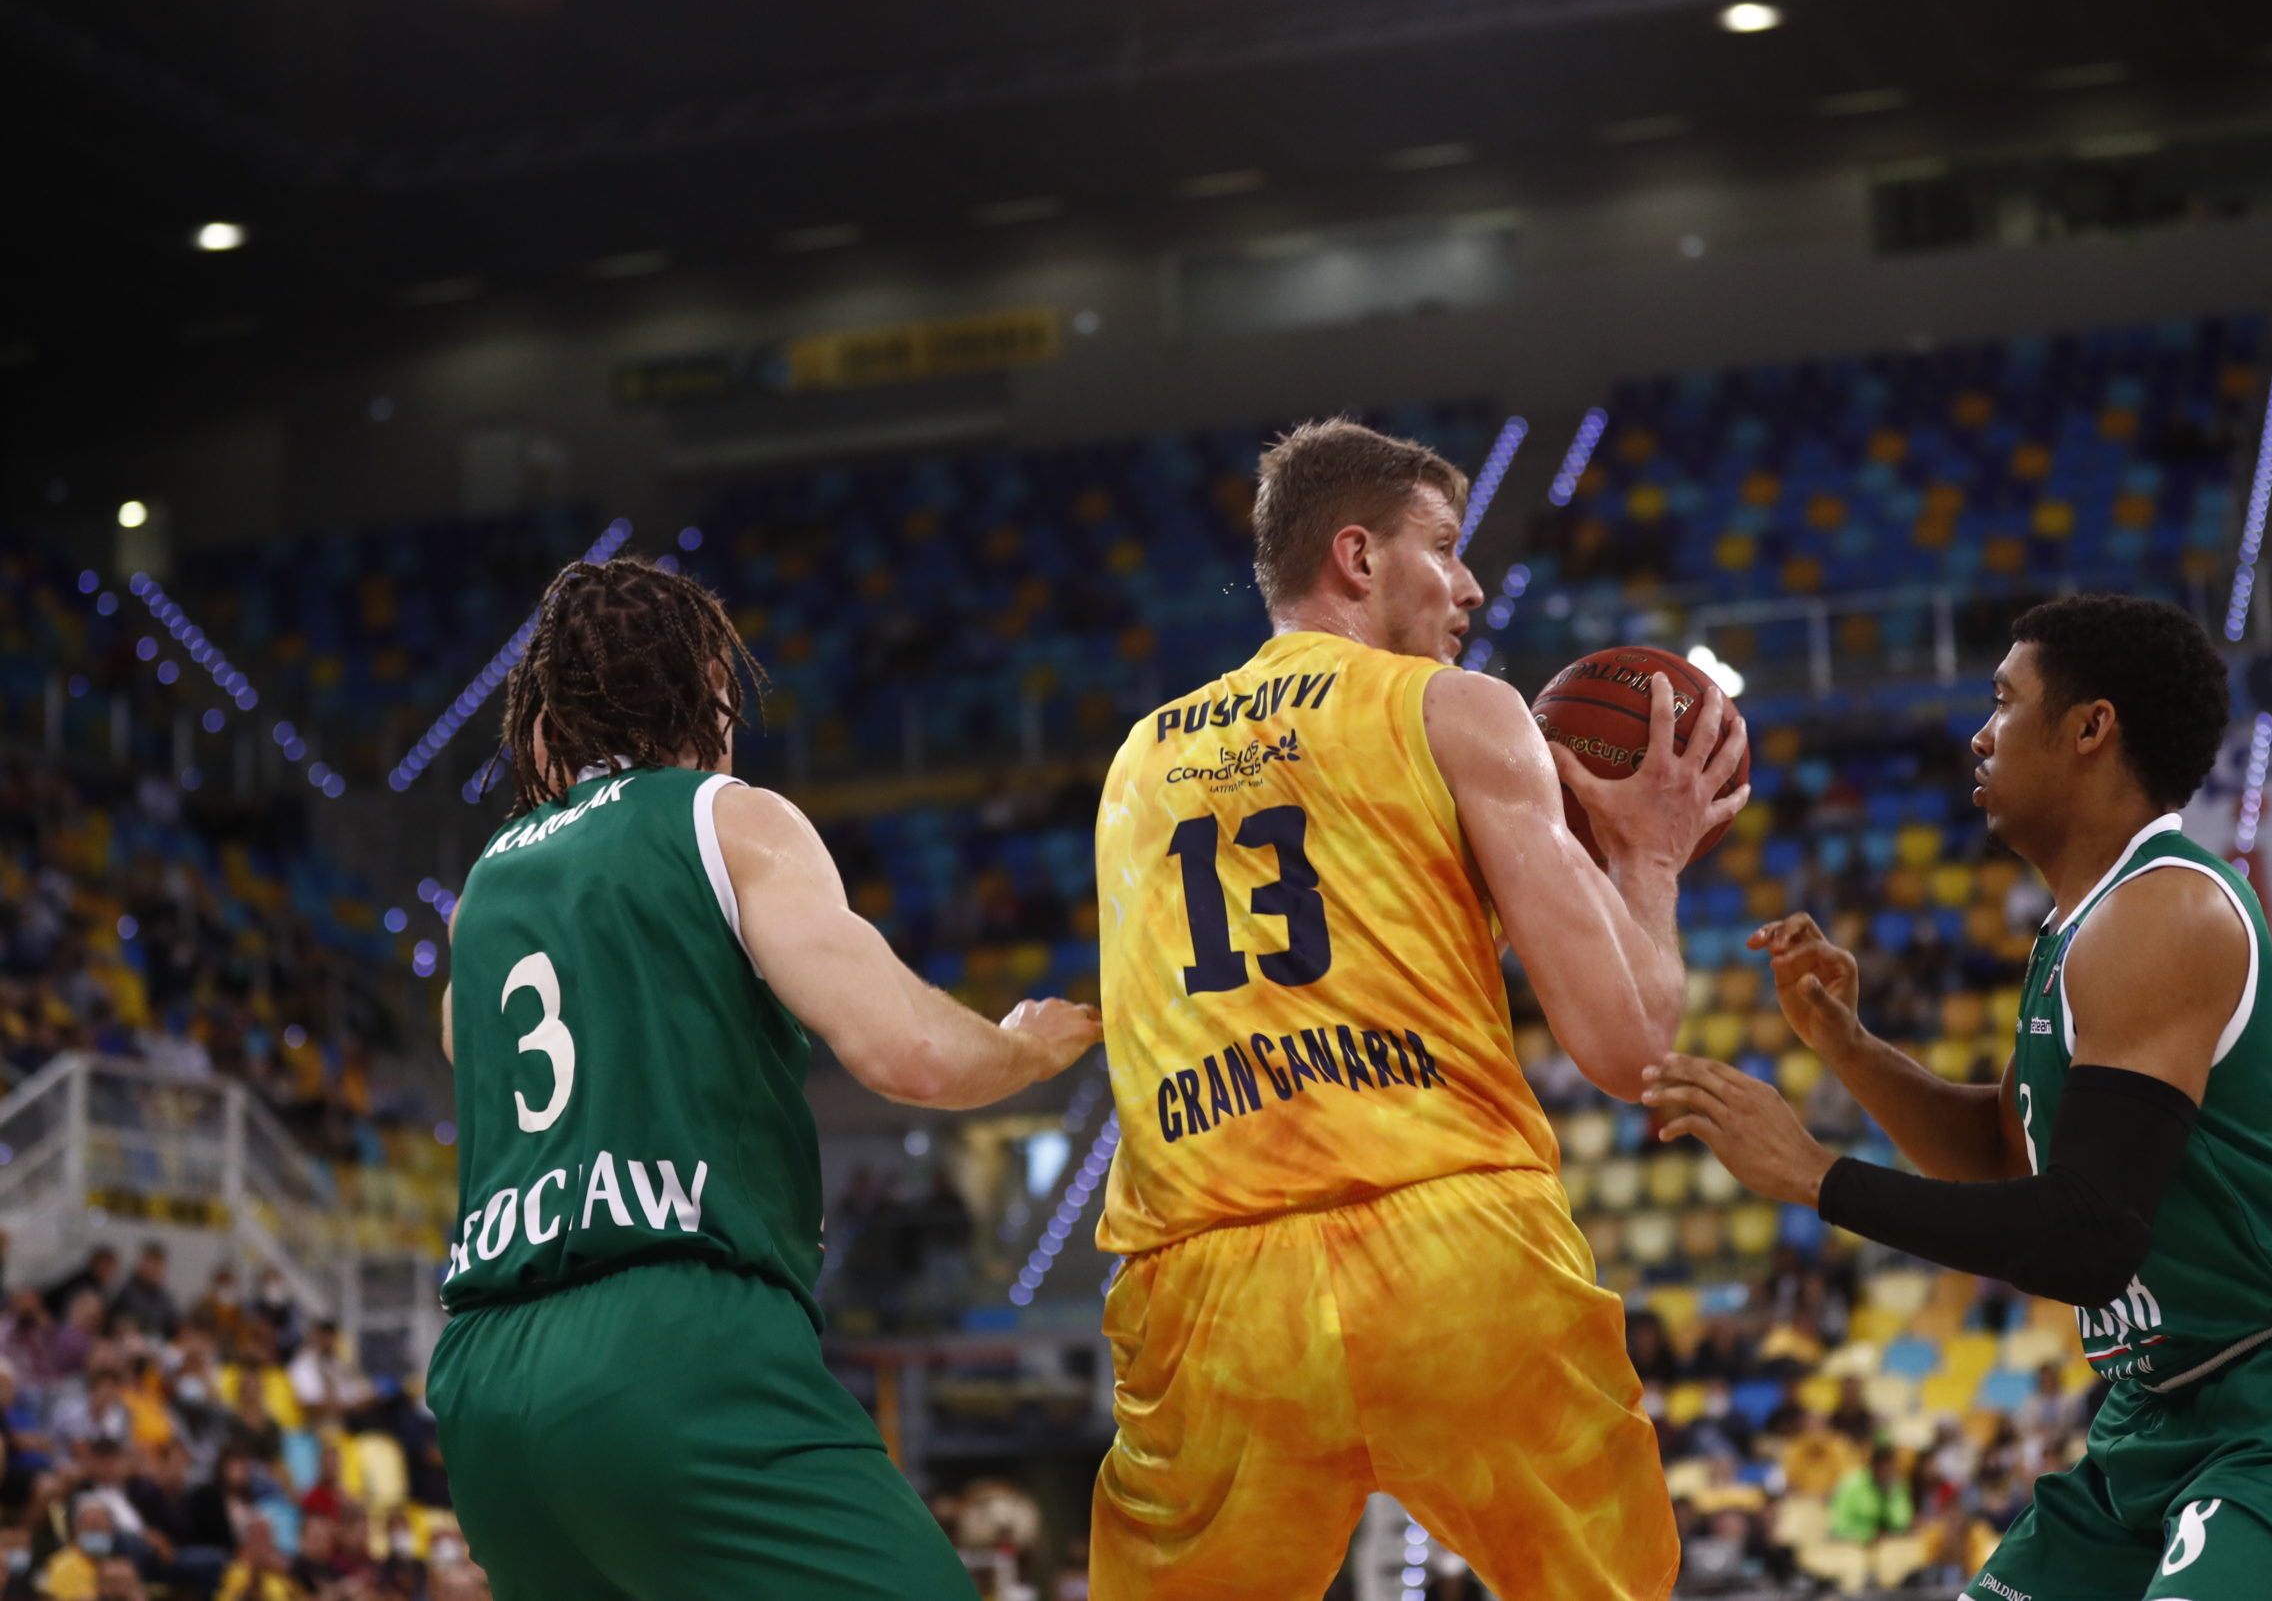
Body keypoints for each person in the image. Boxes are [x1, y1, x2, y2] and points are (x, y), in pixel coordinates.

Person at [1646, 595, 2272, 1599]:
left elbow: (2087, 1235)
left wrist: (1818, 1177)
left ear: (2089, 727)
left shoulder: (2164, 911)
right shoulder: (2079, 925)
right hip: (2158, 1412)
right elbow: (2006, 1155)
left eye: (2003, 700)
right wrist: (1848, 1047)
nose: (1979, 734)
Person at [1086, 420, 1748, 1597]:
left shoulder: (1137, 763)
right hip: (1446, 1240)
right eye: (1443, 547)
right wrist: (1647, 860)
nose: (1470, 584)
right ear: (1357, 557)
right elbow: (1629, 1044)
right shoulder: (1457, 711)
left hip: (1206, 1285)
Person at [426, 557, 1100, 1601]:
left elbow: (471, 1055)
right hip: (668, 1347)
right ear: (712, 689)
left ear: (546, 726)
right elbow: (909, 1054)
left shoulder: (482, 896)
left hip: (486, 1390)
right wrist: (1023, 1046)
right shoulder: (725, 819)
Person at [104, 1248, 176, 1342]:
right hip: (126, 1340)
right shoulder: (123, 1290)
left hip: (156, 1342)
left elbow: (172, 1325)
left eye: (158, 1266)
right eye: (151, 1264)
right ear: (141, 1264)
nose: (154, 1270)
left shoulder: (164, 1298)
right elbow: (110, 1319)